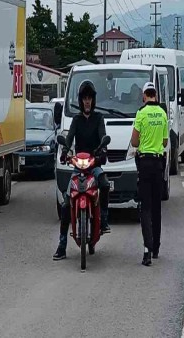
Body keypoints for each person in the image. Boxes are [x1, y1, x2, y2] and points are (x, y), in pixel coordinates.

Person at [53, 81, 110, 261]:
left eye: (90, 98)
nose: (87, 101)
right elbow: (69, 138)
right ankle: (62, 245)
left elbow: (103, 136)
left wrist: (102, 151)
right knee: (65, 203)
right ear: (81, 100)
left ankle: (104, 219)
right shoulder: (76, 120)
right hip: (78, 167)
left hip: (94, 165)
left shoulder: (99, 118)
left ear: (93, 100)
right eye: (84, 98)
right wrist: (64, 152)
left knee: (105, 184)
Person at [131, 82, 168, 267]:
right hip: (158, 163)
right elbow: (165, 140)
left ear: (145, 95)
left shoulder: (141, 113)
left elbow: (134, 141)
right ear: (156, 95)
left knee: (145, 208)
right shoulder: (162, 113)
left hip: (144, 163)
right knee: (156, 207)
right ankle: (156, 248)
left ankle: (147, 249)